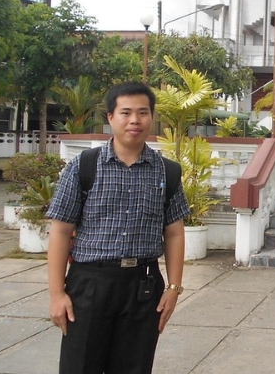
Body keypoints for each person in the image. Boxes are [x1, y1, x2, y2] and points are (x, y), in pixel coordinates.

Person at [46, 81, 189, 374]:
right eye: (125, 112)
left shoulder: (167, 171)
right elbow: (60, 231)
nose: (135, 120)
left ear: (152, 117)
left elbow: (174, 232)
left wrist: (173, 288)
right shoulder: (83, 166)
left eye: (143, 112)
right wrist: (56, 294)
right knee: (80, 366)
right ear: (110, 117)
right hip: (89, 285)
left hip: (143, 286)